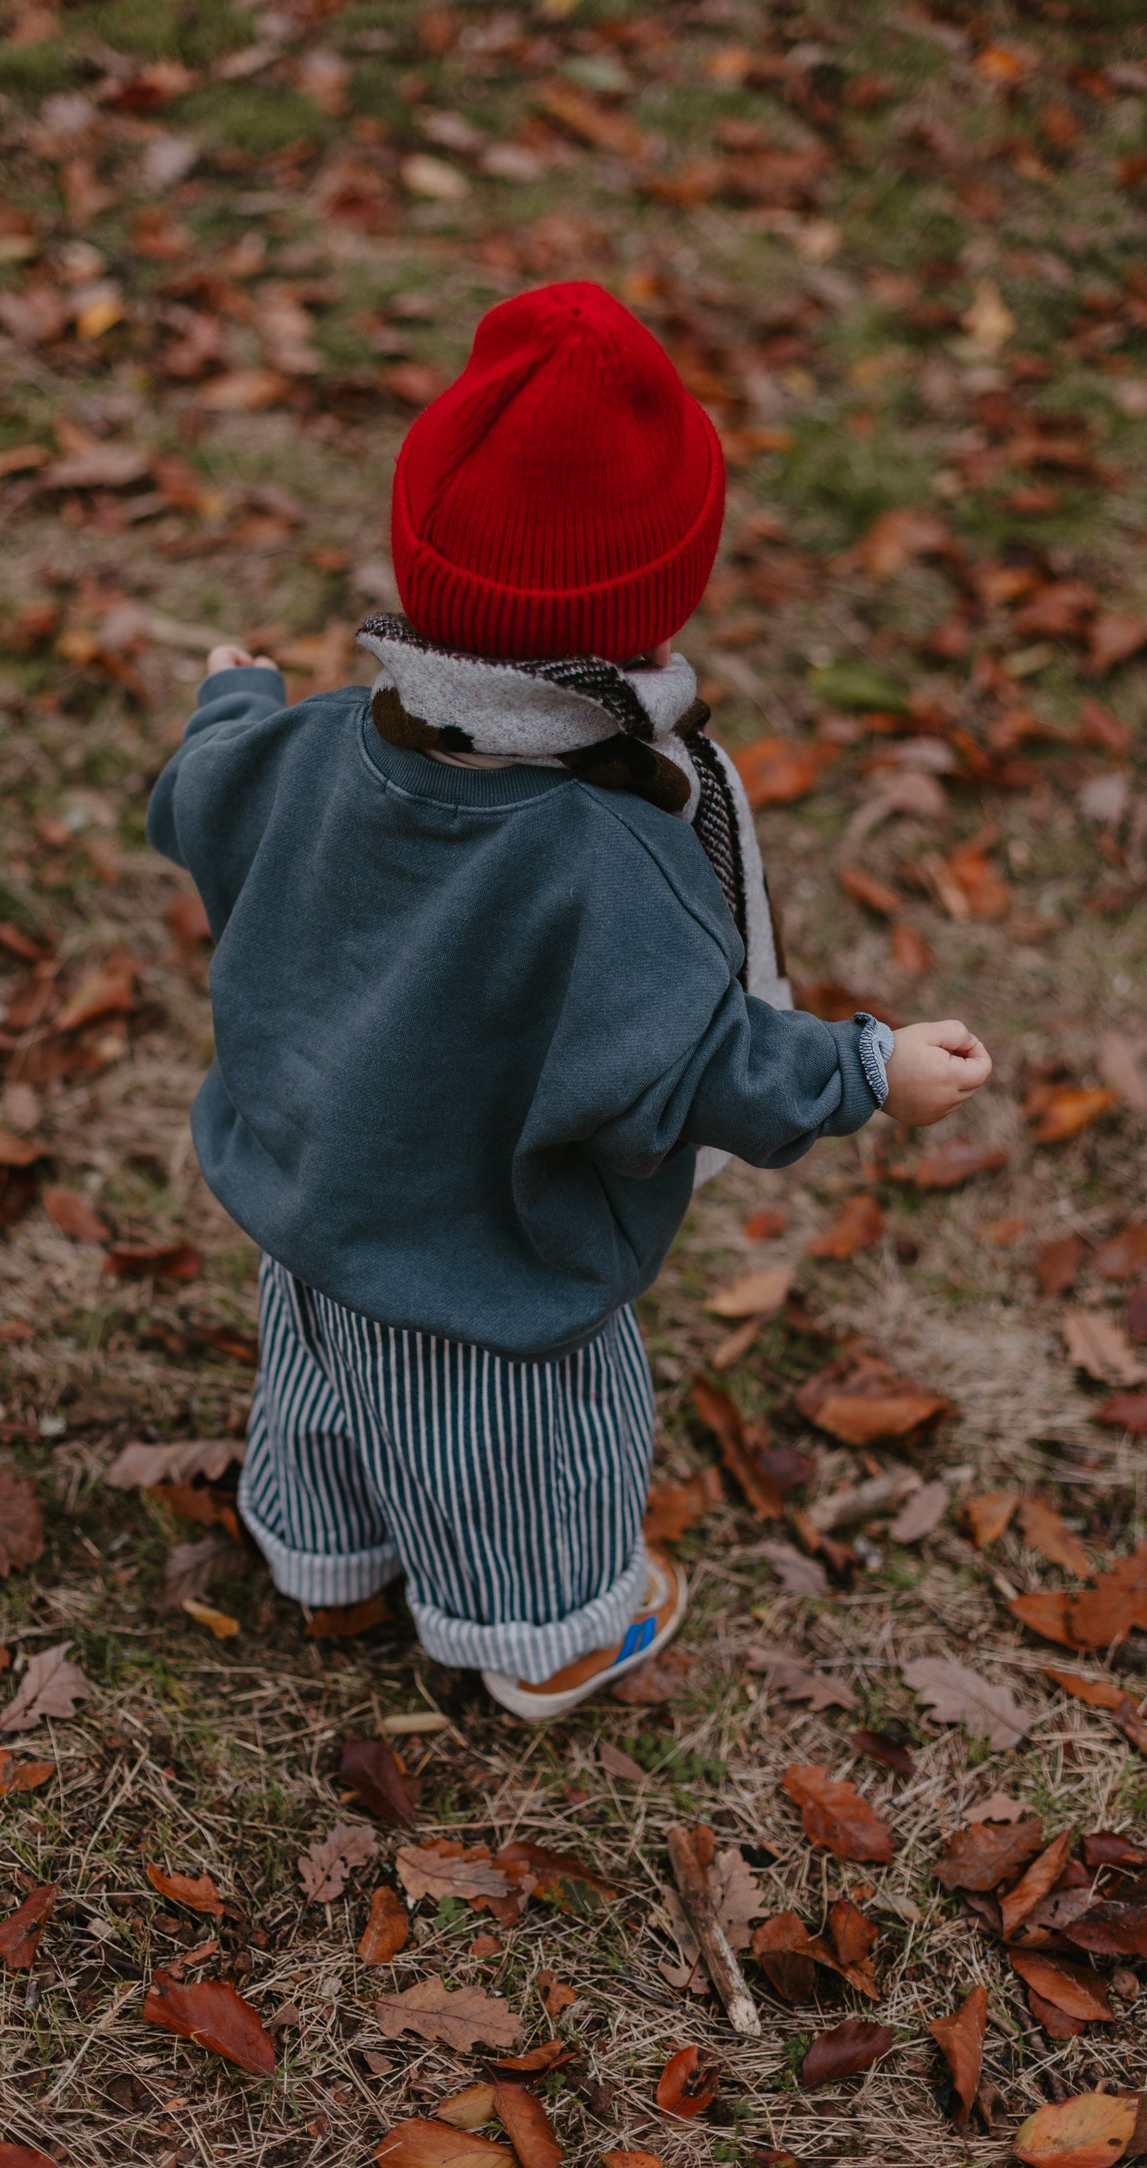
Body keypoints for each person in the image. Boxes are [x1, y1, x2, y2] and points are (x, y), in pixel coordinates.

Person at [148, 282, 991, 1721]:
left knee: (321, 1390)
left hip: (310, 1195)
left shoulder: (311, 747)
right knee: (518, 1446)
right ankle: (548, 1633)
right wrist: (863, 1069)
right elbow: (689, 1060)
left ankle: (330, 1564)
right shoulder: (605, 855)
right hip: (480, 1254)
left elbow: (200, 798)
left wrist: (233, 702)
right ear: (659, 600)